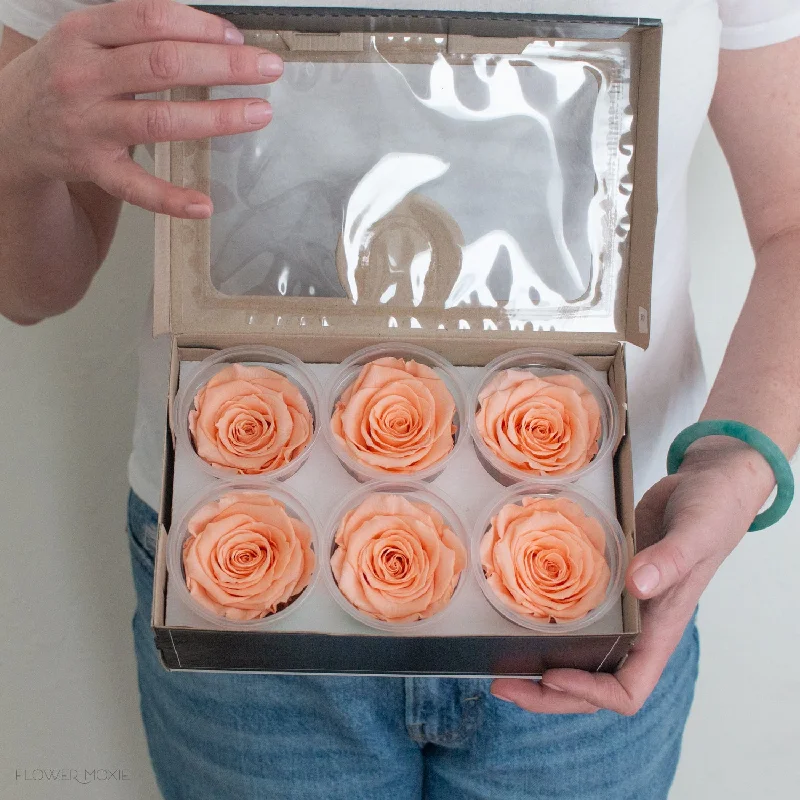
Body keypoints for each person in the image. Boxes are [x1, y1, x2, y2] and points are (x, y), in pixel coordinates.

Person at [1, 1, 798, 798]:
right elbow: (33, 289)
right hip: (227, 558)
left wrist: (736, 465)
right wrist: (10, 140)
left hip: (600, 564)